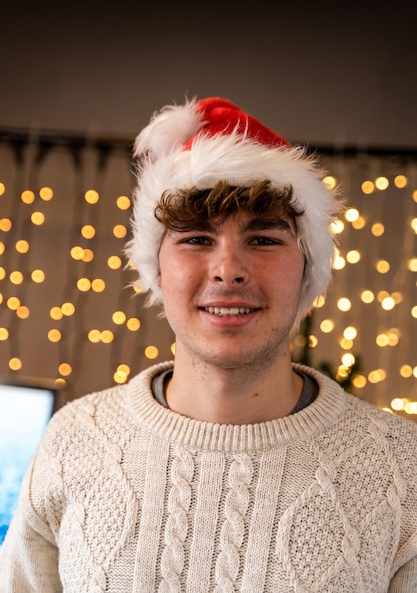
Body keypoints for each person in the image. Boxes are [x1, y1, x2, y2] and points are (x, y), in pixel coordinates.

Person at [1, 96, 417, 593]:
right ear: (158, 268)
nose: (228, 269)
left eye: (264, 239)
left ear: (307, 268)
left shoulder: (400, 466)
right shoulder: (73, 440)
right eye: (196, 238)